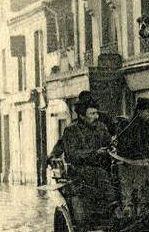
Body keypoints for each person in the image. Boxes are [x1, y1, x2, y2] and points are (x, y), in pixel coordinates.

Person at [48, 94, 115, 225]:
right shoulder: (71, 131)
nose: (96, 116)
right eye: (92, 113)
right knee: (100, 174)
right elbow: (72, 154)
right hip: (79, 170)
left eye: (97, 113)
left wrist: (112, 148)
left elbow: (109, 143)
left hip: (102, 167)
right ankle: (112, 207)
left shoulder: (102, 127)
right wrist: (95, 153)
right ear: (82, 115)